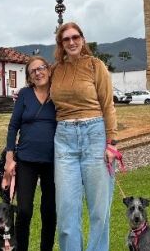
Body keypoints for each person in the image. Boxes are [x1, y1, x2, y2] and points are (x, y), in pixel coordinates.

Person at [50, 22, 118, 251]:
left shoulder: (95, 65)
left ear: (82, 39)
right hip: (64, 139)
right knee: (66, 211)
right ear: (60, 43)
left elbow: (108, 105)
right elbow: (41, 92)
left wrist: (111, 144)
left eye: (75, 37)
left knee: (99, 211)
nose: (71, 42)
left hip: (94, 135)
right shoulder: (55, 70)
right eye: (66, 39)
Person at [2, 56, 57, 251]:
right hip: (26, 160)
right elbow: (13, 126)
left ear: (49, 70)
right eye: (33, 71)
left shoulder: (59, 93)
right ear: (29, 77)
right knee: (24, 211)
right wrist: (10, 158)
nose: (38, 72)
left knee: (49, 211)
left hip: (53, 161)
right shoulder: (25, 95)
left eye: (41, 68)